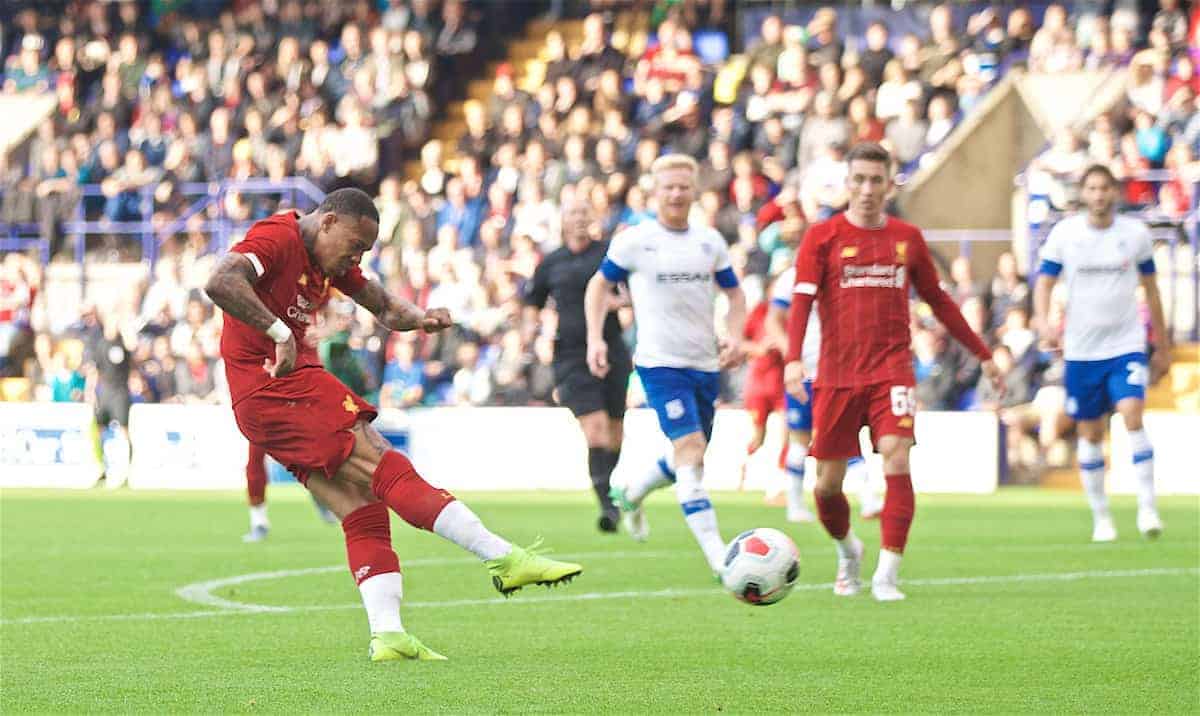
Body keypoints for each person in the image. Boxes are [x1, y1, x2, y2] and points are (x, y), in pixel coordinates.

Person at [205, 188, 582, 662]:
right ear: (327, 222)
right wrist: (279, 333)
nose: (356, 257)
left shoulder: (329, 263)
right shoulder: (278, 237)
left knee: (360, 503)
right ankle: (504, 557)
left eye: (365, 250)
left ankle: (388, 634)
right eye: (355, 245)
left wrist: (423, 319)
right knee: (383, 460)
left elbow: (383, 306)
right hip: (278, 386)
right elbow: (220, 281)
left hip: (266, 398)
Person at [783, 143, 1002, 602]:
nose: (866, 190)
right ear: (847, 183)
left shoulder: (906, 239)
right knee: (826, 486)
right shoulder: (822, 238)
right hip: (837, 376)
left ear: (889, 184)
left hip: (892, 371)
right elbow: (802, 300)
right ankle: (848, 551)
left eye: (875, 181)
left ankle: (887, 574)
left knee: (896, 456)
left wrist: (982, 353)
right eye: (858, 180)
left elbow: (939, 301)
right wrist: (792, 359)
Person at [585, 154, 748, 576]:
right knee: (691, 452)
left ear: (694, 191)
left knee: (688, 454)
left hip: (705, 365)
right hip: (660, 365)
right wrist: (595, 338)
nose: (676, 194)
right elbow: (598, 285)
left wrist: (735, 335)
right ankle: (720, 557)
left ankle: (633, 493)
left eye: (683, 186)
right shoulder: (635, 241)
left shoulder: (710, 241)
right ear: (655, 191)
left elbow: (735, 295)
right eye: (668, 187)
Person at [1033, 164, 1170, 543]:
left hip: (1126, 344)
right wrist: (1043, 320)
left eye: (1104, 188)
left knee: (1131, 414)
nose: (1098, 195)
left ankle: (1147, 506)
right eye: (1091, 188)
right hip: (1081, 349)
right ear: (1083, 193)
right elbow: (1044, 281)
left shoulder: (1134, 234)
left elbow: (1152, 289)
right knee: (1090, 433)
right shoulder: (1066, 235)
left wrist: (1162, 344)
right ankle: (1102, 517)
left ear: (1114, 193)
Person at [523, 197, 631, 533]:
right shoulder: (551, 262)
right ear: (563, 220)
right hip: (570, 353)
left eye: (585, 210)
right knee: (595, 426)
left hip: (611, 348)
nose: (580, 217)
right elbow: (532, 301)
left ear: (594, 217)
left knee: (615, 430)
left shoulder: (610, 253)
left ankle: (607, 486)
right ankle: (607, 506)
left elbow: (634, 292)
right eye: (573, 211)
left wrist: (618, 302)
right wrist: (532, 331)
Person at [764, 266, 883, 522]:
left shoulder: (848, 271)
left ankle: (868, 499)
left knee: (846, 435)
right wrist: (791, 354)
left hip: (842, 372)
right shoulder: (792, 276)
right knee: (799, 439)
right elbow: (773, 319)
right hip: (805, 372)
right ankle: (795, 504)